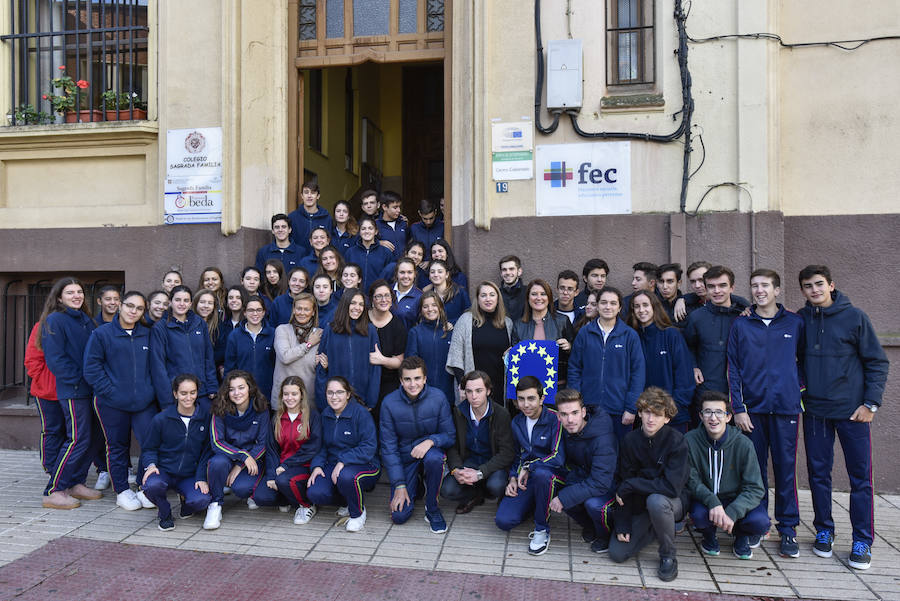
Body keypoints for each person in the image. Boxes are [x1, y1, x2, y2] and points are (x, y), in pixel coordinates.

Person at [797, 265, 889, 570]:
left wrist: (870, 404)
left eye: (819, 284)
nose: (814, 290)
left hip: (853, 413)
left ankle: (862, 540)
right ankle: (824, 530)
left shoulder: (855, 317)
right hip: (816, 413)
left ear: (831, 285)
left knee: (860, 479)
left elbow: (877, 362)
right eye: (808, 286)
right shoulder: (801, 320)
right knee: (818, 476)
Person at [726, 268, 804, 557]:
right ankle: (757, 524)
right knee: (753, 473)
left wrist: (798, 393)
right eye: (754, 286)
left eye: (765, 286)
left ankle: (788, 529)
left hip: (786, 410)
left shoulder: (795, 323)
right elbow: (733, 368)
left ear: (777, 290)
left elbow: (805, 362)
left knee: (785, 471)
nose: (759, 290)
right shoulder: (741, 325)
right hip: (752, 412)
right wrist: (739, 409)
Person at [84, 291, 157, 512]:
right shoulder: (102, 334)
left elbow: (156, 366)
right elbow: (91, 369)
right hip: (112, 403)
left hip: (144, 403)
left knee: (150, 445)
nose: (133, 311)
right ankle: (122, 491)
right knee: (116, 446)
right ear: (120, 306)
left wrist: (150, 391)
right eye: (129, 306)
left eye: (139, 308)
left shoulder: (148, 334)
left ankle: (146, 487)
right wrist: (111, 392)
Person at [609, 387, 689, 583]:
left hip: (672, 501)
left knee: (656, 501)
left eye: (657, 414)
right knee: (617, 553)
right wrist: (622, 522)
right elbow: (622, 484)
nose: (651, 419)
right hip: (639, 503)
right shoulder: (630, 440)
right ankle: (656, 527)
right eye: (647, 412)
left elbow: (671, 487)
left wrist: (633, 484)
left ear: (667, 418)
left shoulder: (677, 442)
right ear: (639, 413)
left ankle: (668, 554)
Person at [36, 277, 101, 509]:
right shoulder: (54, 320)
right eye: (70, 292)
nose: (76, 296)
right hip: (73, 390)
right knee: (77, 439)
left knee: (92, 439)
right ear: (60, 297)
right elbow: (56, 360)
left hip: (92, 390)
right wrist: (81, 380)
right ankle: (54, 489)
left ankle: (75, 482)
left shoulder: (86, 320)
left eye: (79, 291)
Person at [685, 391, 769, 561]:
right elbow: (691, 480)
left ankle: (741, 537)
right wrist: (712, 501)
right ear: (701, 416)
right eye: (708, 412)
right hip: (707, 499)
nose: (713, 418)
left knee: (760, 521)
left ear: (728, 417)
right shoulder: (689, 440)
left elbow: (755, 488)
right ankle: (709, 537)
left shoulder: (744, 444)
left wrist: (732, 511)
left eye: (719, 412)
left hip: (735, 499)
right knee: (699, 515)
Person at [379, 357, 455, 532]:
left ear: (425, 378)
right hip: (406, 459)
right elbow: (388, 449)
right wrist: (399, 484)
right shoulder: (389, 403)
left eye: (417, 378)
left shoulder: (438, 397)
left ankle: (432, 508)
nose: (413, 384)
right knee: (399, 516)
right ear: (401, 380)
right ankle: (416, 484)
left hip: (430, 454)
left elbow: (449, 435)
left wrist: (430, 441)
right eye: (407, 379)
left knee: (435, 459)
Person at [495, 376, 564, 556]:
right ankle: (535, 504)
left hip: (552, 476)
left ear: (541, 399)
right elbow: (517, 455)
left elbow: (558, 457)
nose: (526, 404)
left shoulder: (555, 419)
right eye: (521, 399)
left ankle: (541, 529)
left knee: (542, 475)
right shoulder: (516, 422)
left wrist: (529, 467)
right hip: (528, 478)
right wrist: (512, 477)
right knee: (504, 521)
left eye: (531, 398)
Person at [568, 287, 645, 442]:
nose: (608, 307)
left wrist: (631, 408)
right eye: (603, 302)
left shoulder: (630, 335)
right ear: (597, 305)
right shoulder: (585, 333)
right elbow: (574, 369)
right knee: (590, 453)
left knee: (620, 455)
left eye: (612, 303)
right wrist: (576, 404)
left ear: (620, 307)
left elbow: (638, 373)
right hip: (589, 408)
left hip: (619, 409)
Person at [307, 377, 381, 532]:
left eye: (339, 392)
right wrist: (317, 466)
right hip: (334, 464)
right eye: (330, 393)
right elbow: (321, 446)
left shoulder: (361, 414)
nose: (334, 397)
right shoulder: (325, 414)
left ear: (348, 394)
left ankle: (358, 513)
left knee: (347, 476)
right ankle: (347, 501)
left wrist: (343, 461)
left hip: (366, 464)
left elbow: (369, 447)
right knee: (315, 492)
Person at [140, 374, 213, 531]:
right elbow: (149, 448)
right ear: (175, 394)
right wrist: (151, 465)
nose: (188, 397)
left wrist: (201, 477)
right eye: (183, 393)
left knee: (201, 500)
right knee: (151, 485)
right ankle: (165, 512)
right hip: (164, 470)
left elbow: (207, 452)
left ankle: (186, 504)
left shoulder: (206, 418)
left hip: (189, 474)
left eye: (192, 392)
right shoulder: (161, 419)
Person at [550, 388, 617, 553]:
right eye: (564, 415)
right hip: (583, 476)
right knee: (552, 485)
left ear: (584, 412)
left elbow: (601, 482)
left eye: (574, 413)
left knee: (592, 504)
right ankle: (590, 526)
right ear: (558, 416)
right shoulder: (565, 431)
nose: (570, 420)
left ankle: (605, 535)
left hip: (610, 484)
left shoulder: (603, 438)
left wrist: (565, 497)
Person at [204, 370, 270, 530]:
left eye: (241, 387)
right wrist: (241, 456)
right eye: (232, 389)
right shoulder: (220, 408)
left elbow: (262, 444)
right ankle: (215, 504)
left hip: (251, 459)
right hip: (227, 455)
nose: (236, 393)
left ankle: (240, 484)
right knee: (217, 463)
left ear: (250, 388)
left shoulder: (261, 408)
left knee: (242, 488)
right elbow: (217, 442)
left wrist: (241, 464)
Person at [442, 371, 515, 514]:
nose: (473, 396)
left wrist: (481, 473)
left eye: (478, 391)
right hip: (469, 462)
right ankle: (474, 495)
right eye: (469, 391)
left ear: (488, 391)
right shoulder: (458, 412)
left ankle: (497, 496)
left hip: (493, 464)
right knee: (447, 490)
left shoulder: (501, 414)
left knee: (496, 485)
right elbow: (452, 446)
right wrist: (456, 469)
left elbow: (507, 453)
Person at [255, 377, 322, 524]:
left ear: (302, 395)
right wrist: (271, 475)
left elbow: (313, 448)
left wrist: (286, 465)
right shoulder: (277, 418)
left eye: (294, 394)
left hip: (304, 467)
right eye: (286, 394)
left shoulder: (312, 416)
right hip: (281, 468)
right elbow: (271, 449)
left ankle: (306, 505)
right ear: (281, 396)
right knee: (261, 497)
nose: (290, 398)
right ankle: (288, 497)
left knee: (285, 480)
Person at [625, 289, 694, 431]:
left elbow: (684, 376)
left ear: (654, 307)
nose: (641, 310)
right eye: (637, 306)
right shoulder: (632, 338)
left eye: (645, 305)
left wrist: (674, 407)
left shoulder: (671, 334)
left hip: (672, 416)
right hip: (643, 417)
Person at [682, 266, 749, 402]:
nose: (717, 291)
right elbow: (687, 345)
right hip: (707, 390)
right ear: (706, 289)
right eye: (711, 286)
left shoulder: (744, 316)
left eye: (722, 285)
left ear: (732, 288)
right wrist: (693, 366)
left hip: (742, 390)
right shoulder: (696, 317)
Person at [150, 285, 218, 410]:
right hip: (177, 395)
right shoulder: (160, 328)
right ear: (170, 302)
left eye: (186, 300)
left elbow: (208, 357)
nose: (182, 304)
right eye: (177, 300)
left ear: (191, 303)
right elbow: (158, 366)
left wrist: (212, 386)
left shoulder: (199, 323)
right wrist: (167, 399)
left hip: (201, 392)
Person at [446, 281, 512, 407]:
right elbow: (456, 355)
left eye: (492, 295)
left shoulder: (507, 323)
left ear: (498, 298)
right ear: (477, 299)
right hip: (472, 389)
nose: (488, 299)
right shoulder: (465, 320)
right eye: (483, 295)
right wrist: (463, 385)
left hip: (499, 386)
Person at [314, 289, 381, 411]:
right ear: (345, 304)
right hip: (336, 400)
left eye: (361, 304)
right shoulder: (330, 330)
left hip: (362, 400)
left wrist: (371, 401)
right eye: (353, 303)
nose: (357, 307)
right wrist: (324, 402)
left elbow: (375, 369)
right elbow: (321, 368)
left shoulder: (370, 330)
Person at [511, 278, 575, 390]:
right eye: (534, 294)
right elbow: (515, 361)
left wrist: (569, 347)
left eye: (543, 294)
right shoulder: (518, 325)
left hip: (556, 386)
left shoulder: (562, 321)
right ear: (528, 298)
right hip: (528, 388)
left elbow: (576, 356)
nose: (538, 298)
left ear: (549, 297)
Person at [272, 292, 323, 412]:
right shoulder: (282, 330)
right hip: (284, 400)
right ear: (293, 310)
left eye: (306, 309)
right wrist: (309, 345)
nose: (302, 312)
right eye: (299, 308)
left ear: (313, 312)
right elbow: (285, 357)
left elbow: (322, 364)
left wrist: (320, 362)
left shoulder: (320, 334)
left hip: (308, 400)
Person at [24, 321, 62, 477]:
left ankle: (64, 469)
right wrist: (43, 379)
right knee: (52, 430)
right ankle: (52, 469)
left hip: (72, 390)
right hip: (47, 391)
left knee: (71, 433)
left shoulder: (80, 323)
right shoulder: (42, 326)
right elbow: (32, 359)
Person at [405, 291, 455, 405]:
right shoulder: (415, 333)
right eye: (425, 306)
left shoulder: (450, 331)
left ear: (440, 308)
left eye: (434, 305)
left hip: (449, 393)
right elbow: (411, 364)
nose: (430, 309)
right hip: (423, 394)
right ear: (421, 310)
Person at [225, 295, 276, 403]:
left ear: (264, 312)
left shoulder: (273, 334)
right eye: (251, 310)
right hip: (242, 395)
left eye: (258, 310)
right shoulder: (234, 336)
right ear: (244, 313)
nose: (255, 314)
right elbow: (230, 368)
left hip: (267, 392)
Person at [368, 280, 408, 404]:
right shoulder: (362, 319)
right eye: (378, 296)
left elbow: (399, 362)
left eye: (387, 295)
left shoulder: (398, 325)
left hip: (387, 383)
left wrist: (382, 360)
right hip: (362, 378)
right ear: (372, 300)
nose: (383, 299)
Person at [343, 216, 393, 292]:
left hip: (377, 296)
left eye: (370, 228)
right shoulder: (350, 252)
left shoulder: (386, 253)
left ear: (376, 231)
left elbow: (391, 277)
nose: (367, 231)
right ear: (359, 232)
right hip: (355, 297)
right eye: (363, 229)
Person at [288, 181, 333, 252]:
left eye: (313, 193)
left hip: (320, 259)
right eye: (306, 192)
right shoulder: (292, 217)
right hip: (298, 259)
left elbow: (330, 242)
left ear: (318, 196)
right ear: (302, 196)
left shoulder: (326, 218)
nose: (309, 196)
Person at [424, 259, 470, 324]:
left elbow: (468, 315)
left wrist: (453, 324)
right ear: (429, 275)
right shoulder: (427, 295)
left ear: (447, 274)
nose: (436, 275)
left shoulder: (460, 292)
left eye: (440, 272)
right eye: (432, 272)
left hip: (456, 332)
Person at [193, 289, 226, 376]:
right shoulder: (188, 325)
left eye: (210, 303)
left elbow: (221, 352)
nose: (206, 306)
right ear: (195, 303)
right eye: (202, 302)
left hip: (212, 373)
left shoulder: (219, 327)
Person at [375, 190, 409, 260]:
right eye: (395, 207)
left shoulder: (403, 222)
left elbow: (409, 242)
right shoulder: (375, 224)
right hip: (385, 267)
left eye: (399, 207)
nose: (399, 210)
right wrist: (378, 243)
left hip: (403, 265)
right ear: (384, 207)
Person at [391, 258, 423, 330]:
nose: (406, 276)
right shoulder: (387, 291)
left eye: (409, 272)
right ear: (396, 274)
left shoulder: (420, 297)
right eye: (402, 272)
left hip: (406, 339)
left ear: (415, 274)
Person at [498, 255, 526, 322]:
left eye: (511, 269)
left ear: (519, 271)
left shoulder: (529, 292)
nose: (507, 272)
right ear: (501, 273)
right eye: (504, 270)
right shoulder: (496, 294)